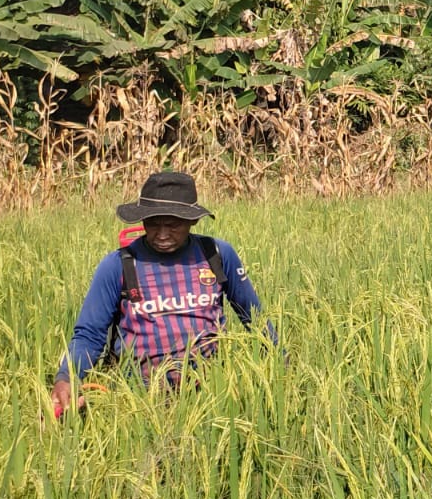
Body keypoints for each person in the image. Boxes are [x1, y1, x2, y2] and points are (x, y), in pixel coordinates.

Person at [51, 171, 276, 418]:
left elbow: (254, 319)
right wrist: (67, 377)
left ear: (193, 222)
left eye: (173, 225)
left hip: (211, 394)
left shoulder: (216, 255)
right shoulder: (119, 265)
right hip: (139, 399)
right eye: (153, 223)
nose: (162, 234)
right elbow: (89, 335)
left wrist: (280, 364)